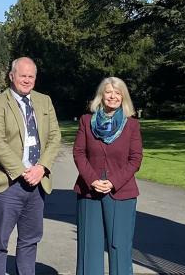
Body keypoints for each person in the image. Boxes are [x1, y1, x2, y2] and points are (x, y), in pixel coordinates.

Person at [0, 57, 61, 275]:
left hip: (37, 182)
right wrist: (24, 171)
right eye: (22, 75)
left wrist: (41, 167)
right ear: (11, 76)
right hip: (8, 183)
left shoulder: (45, 101)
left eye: (31, 76)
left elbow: (54, 136)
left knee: (30, 240)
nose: (26, 80)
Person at [72, 77, 143, 275]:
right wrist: (92, 179)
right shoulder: (86, 121)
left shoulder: (132, 125)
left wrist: (113, 182)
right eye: (109, 92)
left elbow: (135, 159)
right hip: (89, 192)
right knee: (89, 248)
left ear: (123, 97)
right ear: (101, 96)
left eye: (118, 92)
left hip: (122, 192)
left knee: (119, 246)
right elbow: (79, 152)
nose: (113, 96)